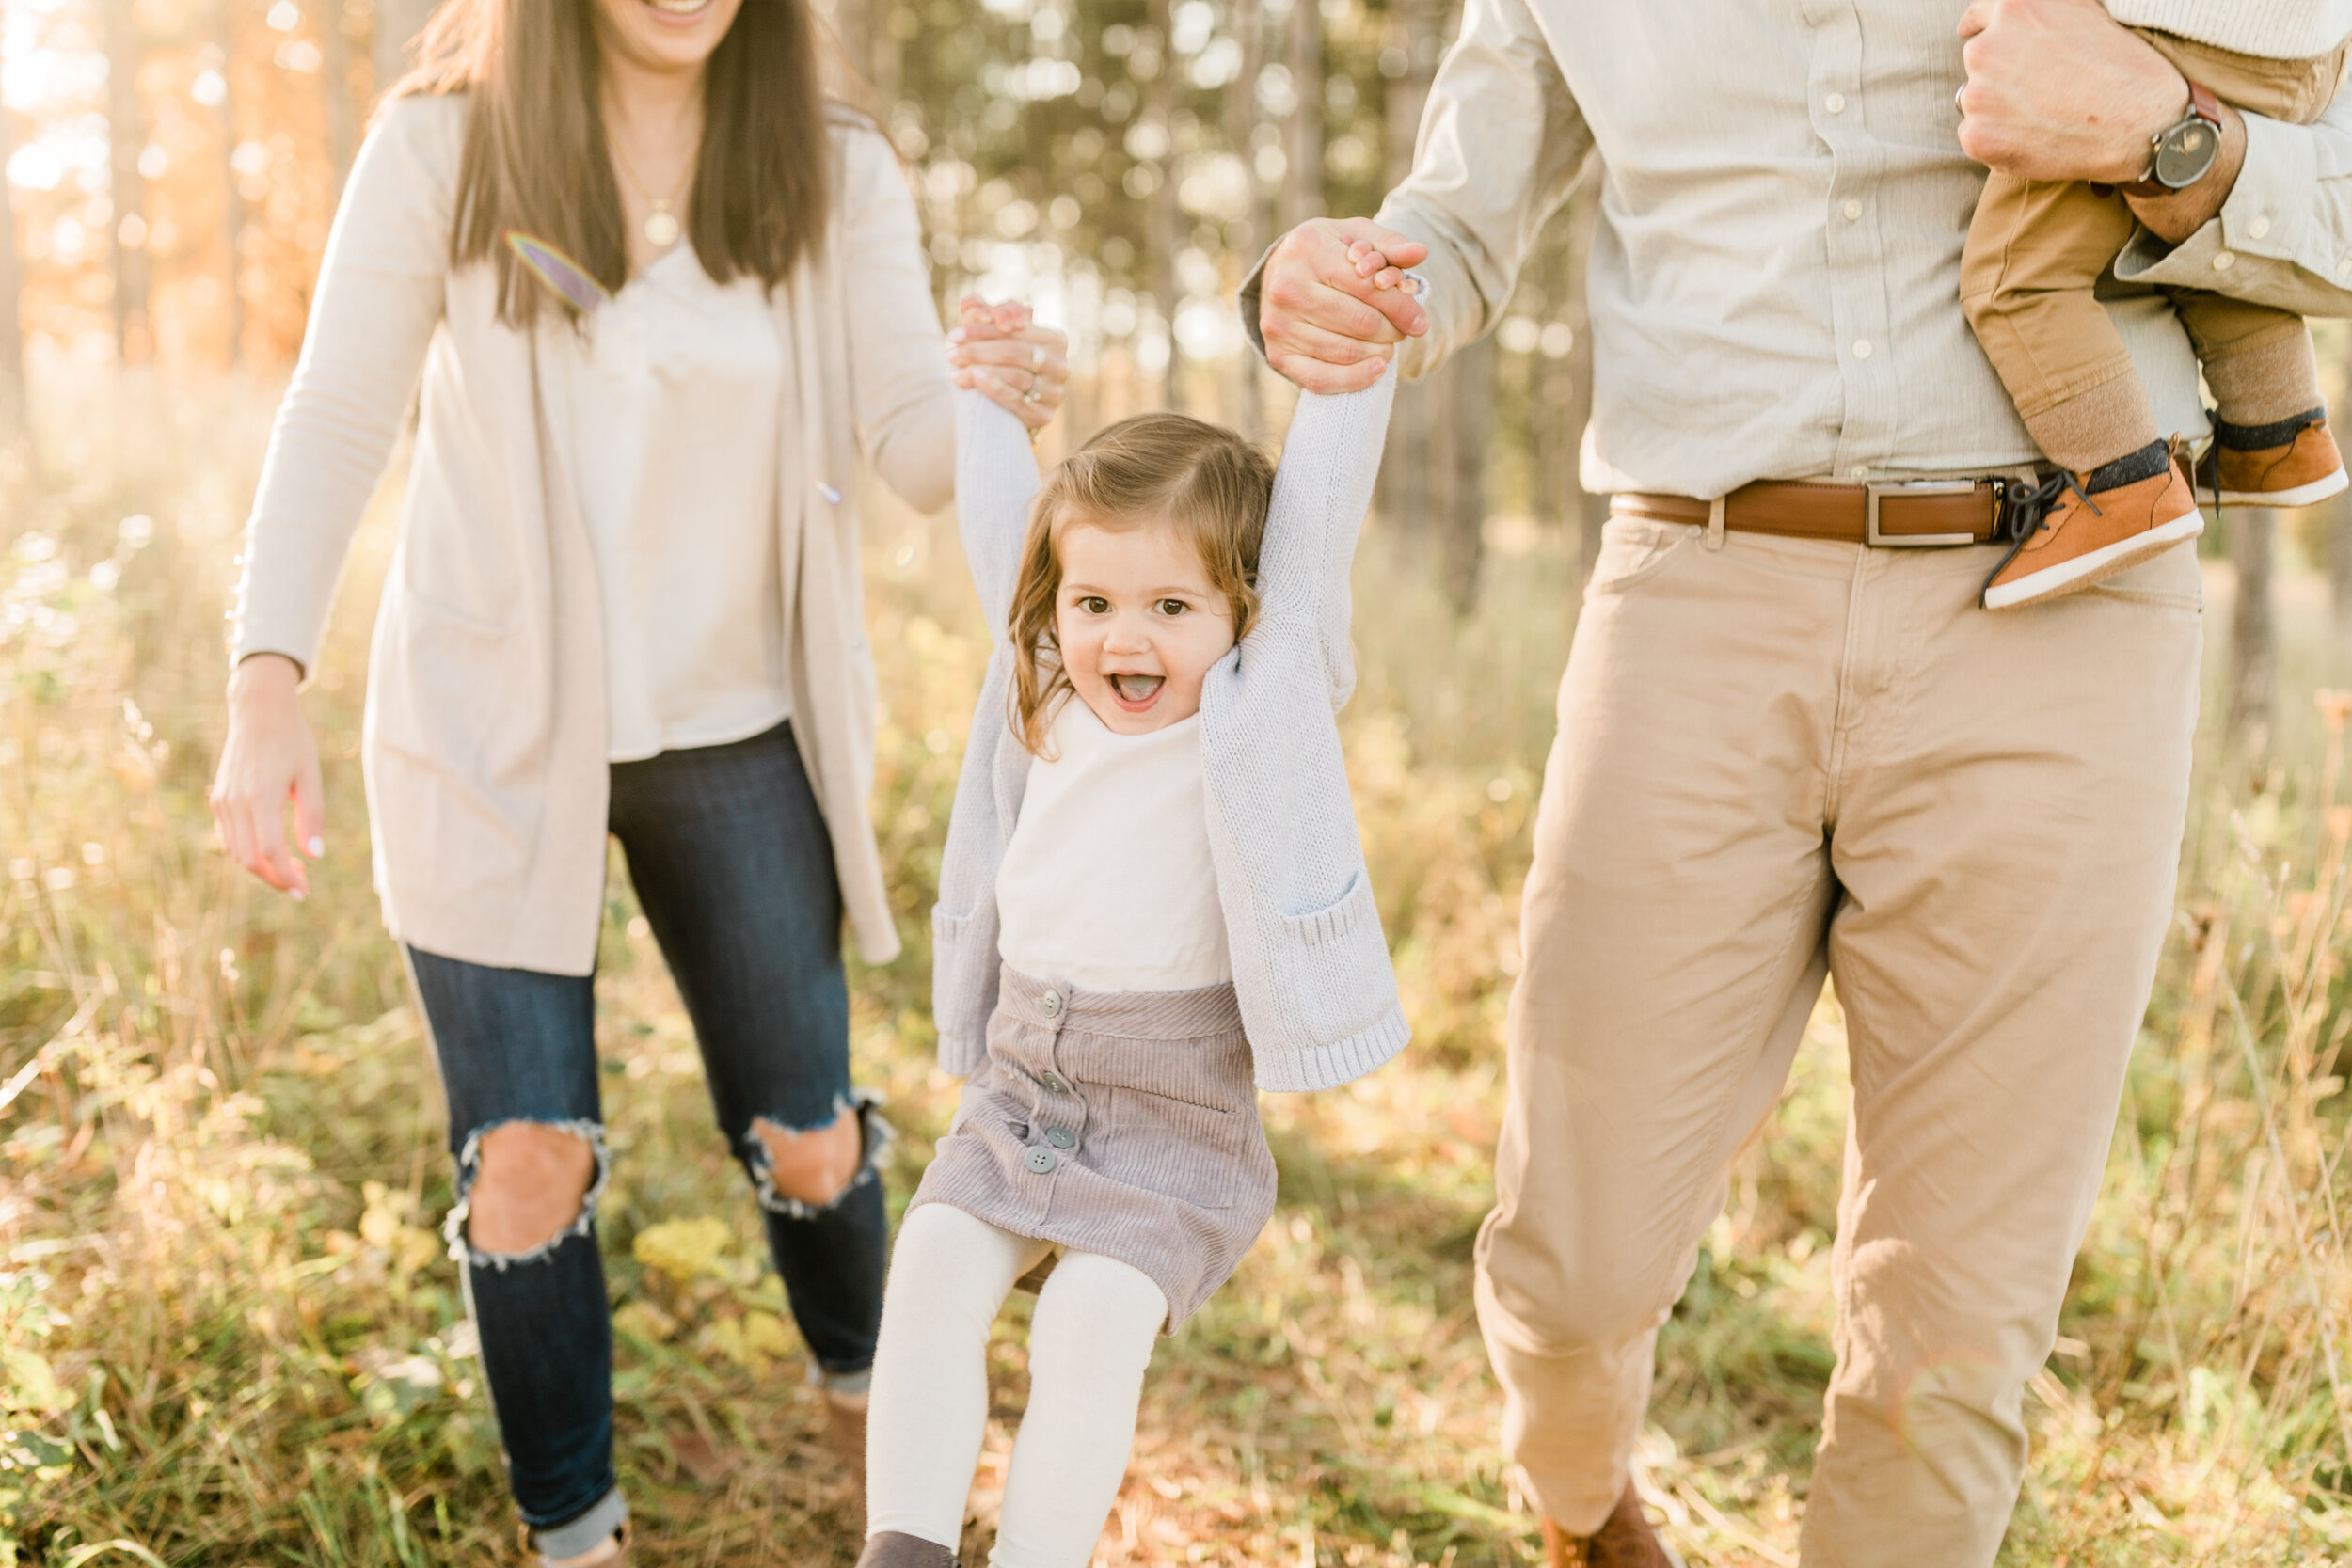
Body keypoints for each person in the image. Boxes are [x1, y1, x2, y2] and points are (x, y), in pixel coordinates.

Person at [1247, 0, 2352, 1562]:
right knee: (1568, 1267)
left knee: (1956, 1331)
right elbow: (1454, 231)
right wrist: (1341, 281)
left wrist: (2176, 141)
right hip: (1694, 593)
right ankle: (1580, 1505)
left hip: (2075, 593)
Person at [205, 1, 1068, 1560]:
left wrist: (994, 399)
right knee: (526, 1157)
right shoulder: (442, 147)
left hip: (739, 728)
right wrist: (266, 677)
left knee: (808, 1126)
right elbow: (336, 414)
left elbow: (911, 442)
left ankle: (882, 1405)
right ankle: (578, 1530)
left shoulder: (828, 167)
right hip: (486, 725)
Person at [851, 299, 1411, 1568]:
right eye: (1098, 599)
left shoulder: (1264, 700)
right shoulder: (1044, 675)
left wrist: (1350, 365)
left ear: (1241, 609)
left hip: (1175, 1112)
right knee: (934, 1257)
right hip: (1025, 1074)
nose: (1127, 636)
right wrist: (988, 400)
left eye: (1172, 604)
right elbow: (1009, 532)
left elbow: (1315, 529)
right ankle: (905, 1546)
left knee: (1090, 1322)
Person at [1963, 6, 2352, 608]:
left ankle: (2122, 485)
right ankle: (2281, 433)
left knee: (2012, 280)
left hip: (2174, 36)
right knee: (2185, 230)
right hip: (2299, 56)